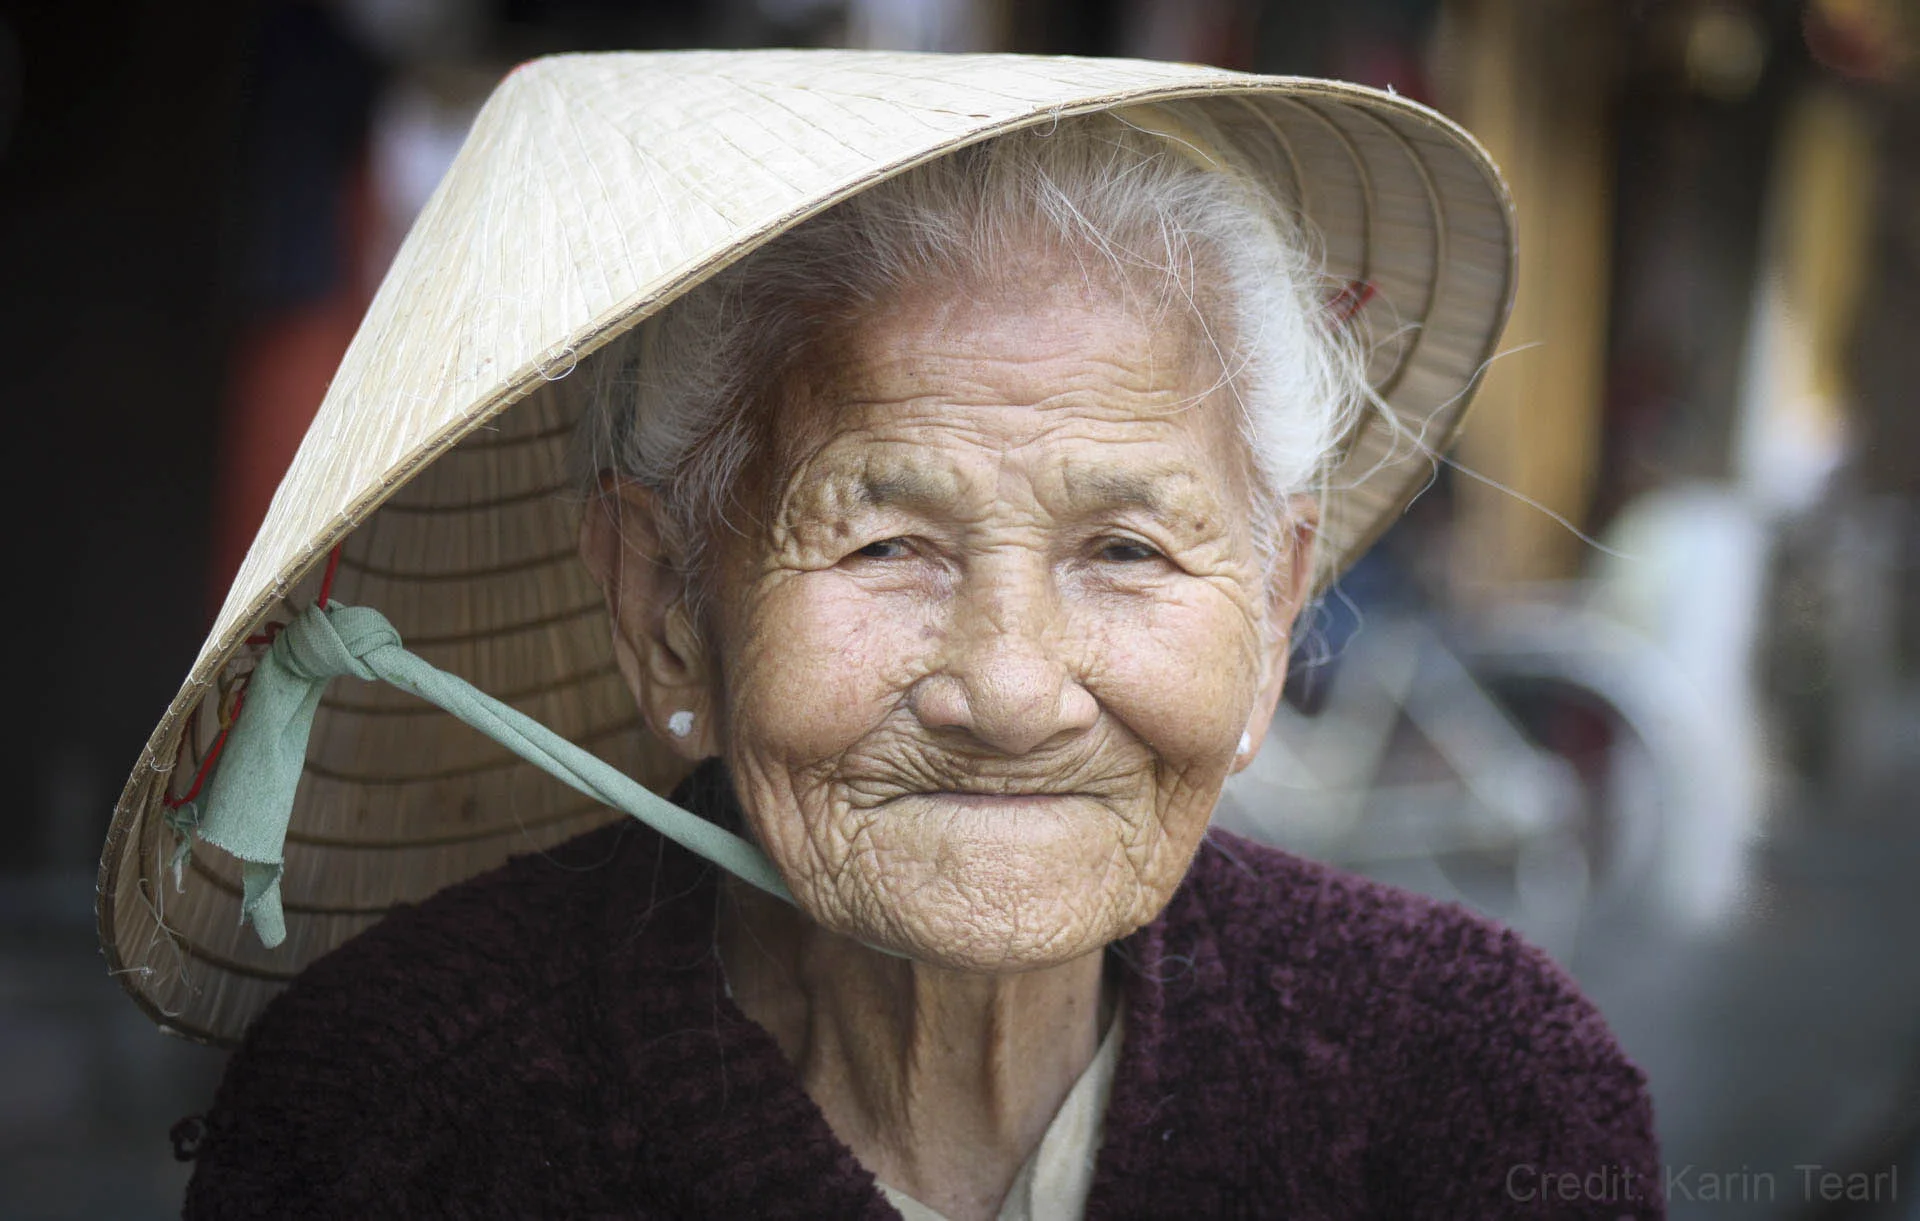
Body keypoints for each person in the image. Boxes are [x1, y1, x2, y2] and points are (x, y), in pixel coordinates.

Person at [100, 52, 1660, 1219]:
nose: (1009, 688)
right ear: (665, 613)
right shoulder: (398, 1116)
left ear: (1268, 608)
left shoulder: (1474, 1089)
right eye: (888, 542)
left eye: (1125, 548)